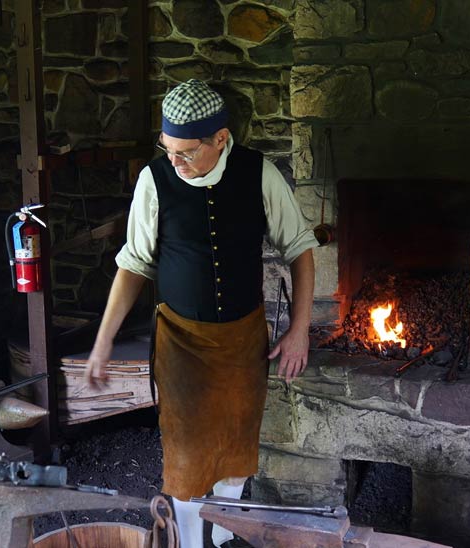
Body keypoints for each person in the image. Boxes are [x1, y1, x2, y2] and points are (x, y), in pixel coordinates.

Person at [84, 79, 317, 548]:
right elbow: (133, 263)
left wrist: (299, 331)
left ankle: (222, 539)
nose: (174, 160)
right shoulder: (155, 179)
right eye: (167, 147)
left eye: (186, 151)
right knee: (187, 457)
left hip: (241, 339)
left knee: (235, 449)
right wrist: (103, 340)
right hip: (181, 342)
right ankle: (191, 544)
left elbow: (300, 248)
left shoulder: (258, 173)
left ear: (221, 140)